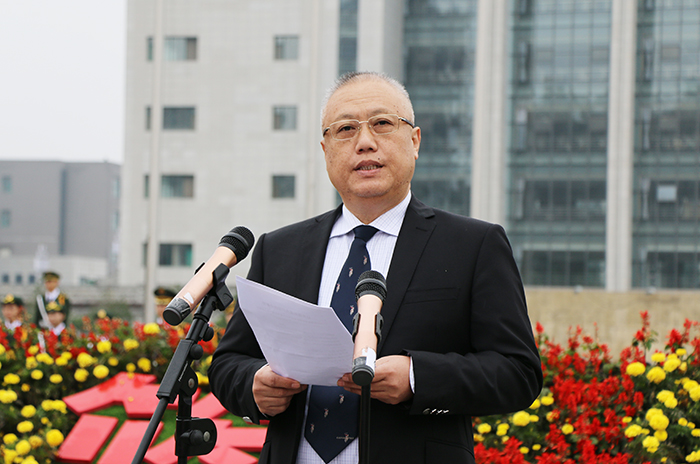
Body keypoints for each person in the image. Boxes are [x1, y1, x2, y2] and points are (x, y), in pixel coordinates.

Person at [208, 71, 543, 464]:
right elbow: (229, 362)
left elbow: (518, 373)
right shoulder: (280, 248)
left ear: (414, 141)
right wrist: (254, 385)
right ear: (326, 150)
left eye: (382, 123)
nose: (364, 142)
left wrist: (417, 377)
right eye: (346, 129)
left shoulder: (473, 245)